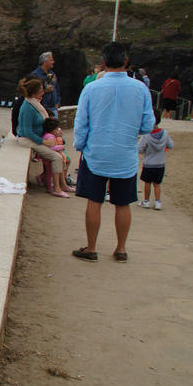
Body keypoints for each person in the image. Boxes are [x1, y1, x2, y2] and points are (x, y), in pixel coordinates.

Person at [72, 41, 155, 263]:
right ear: (126, 62)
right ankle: (121, 249)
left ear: (103, 62)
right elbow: (148, 125)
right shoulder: (141, 89)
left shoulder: (91, 89)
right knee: (123, 202)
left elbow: (81, 124)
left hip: (96, 153)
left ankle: (91, 248)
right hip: (125, 154)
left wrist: (80, 146)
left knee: (94, 201)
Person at [15, 75, 69, 198]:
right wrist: (43, 142)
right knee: (57, 158)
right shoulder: (28, 107)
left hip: (36, 138)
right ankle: (57, 188)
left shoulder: (33, 104)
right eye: (40, 91)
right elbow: (27, 131)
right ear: (33, 93)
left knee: (61, 155)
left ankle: (63, 185)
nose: (43, 93)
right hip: (28, 140)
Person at [137, 108, 174, 211]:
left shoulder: (146, 135)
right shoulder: (165, 133)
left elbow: (140, 149)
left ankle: (146, 201)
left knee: (147, 183)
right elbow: (171, 145)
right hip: (160, 163)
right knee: (157, 184)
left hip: (149, 163)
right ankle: (158, 202)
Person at [42, 117, 73, 192]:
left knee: (50, 173)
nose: (58, 131)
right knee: (49, 173)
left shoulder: (49, 135)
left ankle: (59, 184)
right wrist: (61, 147)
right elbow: (51, 147)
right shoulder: (50, 137)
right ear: (52, 130)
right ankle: (51, 187)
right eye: (57, 129)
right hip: (49, 159)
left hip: (50, 157)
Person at [33, 52, 60, 117]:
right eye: (51, 60)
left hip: (54, 110)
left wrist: (58, 103)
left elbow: (57, 89)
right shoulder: (35, 75)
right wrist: (45, 91)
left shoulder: (52, 74)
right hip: (41, 109)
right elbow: (32, 93)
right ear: (45, 62)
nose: (53, 62)